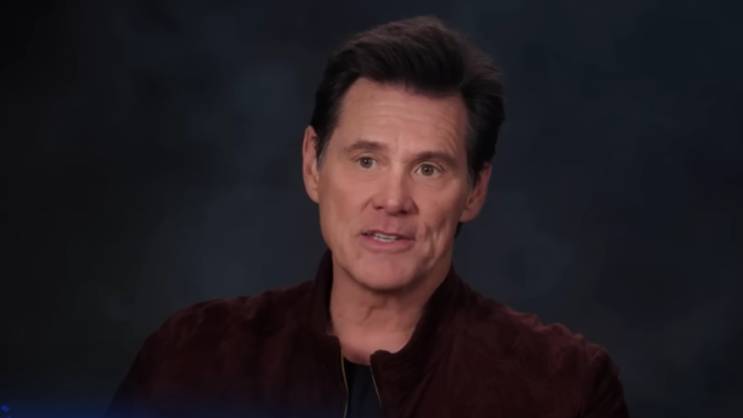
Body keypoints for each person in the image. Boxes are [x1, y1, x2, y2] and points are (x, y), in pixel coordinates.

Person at [105, 16, 629, 418]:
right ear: (312, 165)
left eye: (428, 168)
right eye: (366, 161)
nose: (392, 199)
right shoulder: (191, 357)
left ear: (474, 191)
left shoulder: (565, 389)